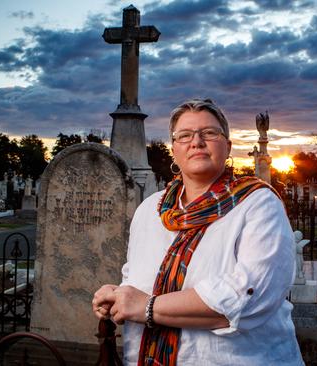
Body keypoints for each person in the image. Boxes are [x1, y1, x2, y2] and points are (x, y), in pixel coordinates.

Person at [92, 98, 304, 365]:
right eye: (185, 135)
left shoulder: (259, 205)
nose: (197, 142)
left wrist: (145, 306)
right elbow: (135, 279)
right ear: (174, 150)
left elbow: (249, 300)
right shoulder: (149, 210)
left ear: (227, 147)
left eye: (209, 133)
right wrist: (117, 295)